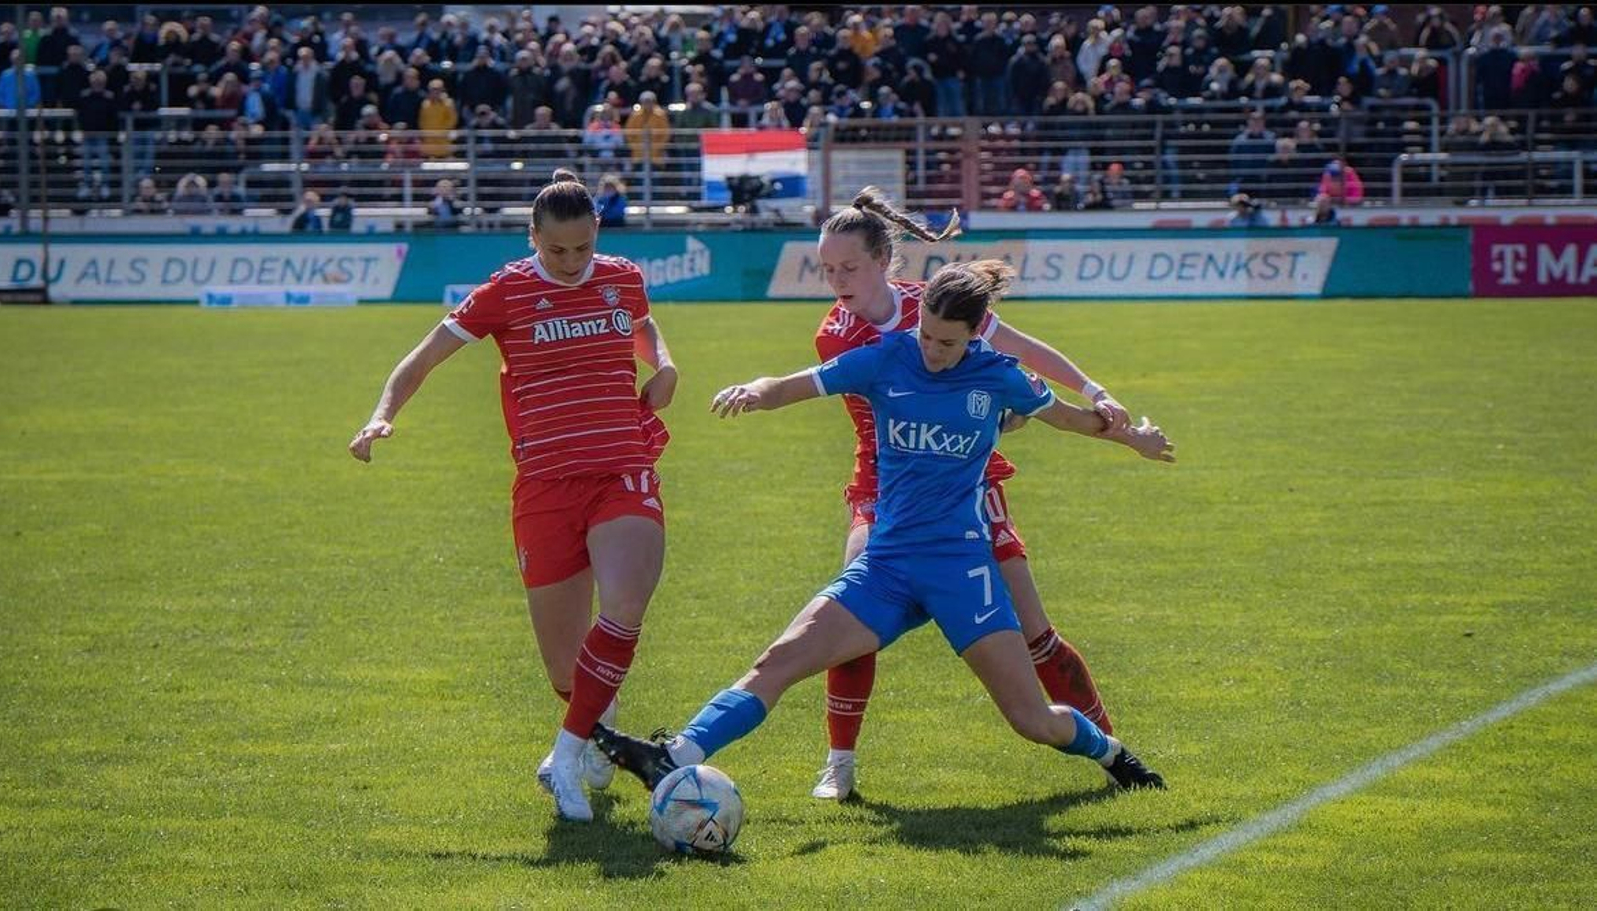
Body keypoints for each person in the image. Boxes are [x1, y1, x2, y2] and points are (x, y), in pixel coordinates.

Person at [591, 260, 1172, 799]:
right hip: (887, 565)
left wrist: (1134, 437)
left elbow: (1072, 421)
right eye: (926, 336)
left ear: (975, 335)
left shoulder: (1001, 377)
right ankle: (673, 756)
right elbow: (797, 383)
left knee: (1032, 720)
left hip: (961, 569)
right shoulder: (885, 357)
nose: (933, 350)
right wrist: (757, 392)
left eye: (948, 342)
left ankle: (1112, 754)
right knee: (778, 661)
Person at [348, 169, 678, 824]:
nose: (571, 261)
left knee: (624, 607)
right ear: (533, 238)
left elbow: (644, 327)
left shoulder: (622, 277)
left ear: (596, 236)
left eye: (582, 248)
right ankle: (592, 734)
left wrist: (664, 364)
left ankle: (566, 755)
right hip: (545, 488)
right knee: (568, 671)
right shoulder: (508, 290)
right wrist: (382, 414)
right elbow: (421, 358)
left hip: (622, 467)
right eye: (557, 249)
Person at [791, 188, 1141, 799]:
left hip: (970, 480)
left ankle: (1113, 754)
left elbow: (1019, 350)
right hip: (883, 486)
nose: (836, 281)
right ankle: (839, 764)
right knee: (852, 613)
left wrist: (1093, 389)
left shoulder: (931, 305)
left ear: (883, 261)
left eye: (848, 268)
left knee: (1035, 631)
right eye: (827, 270)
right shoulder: (833, 338)